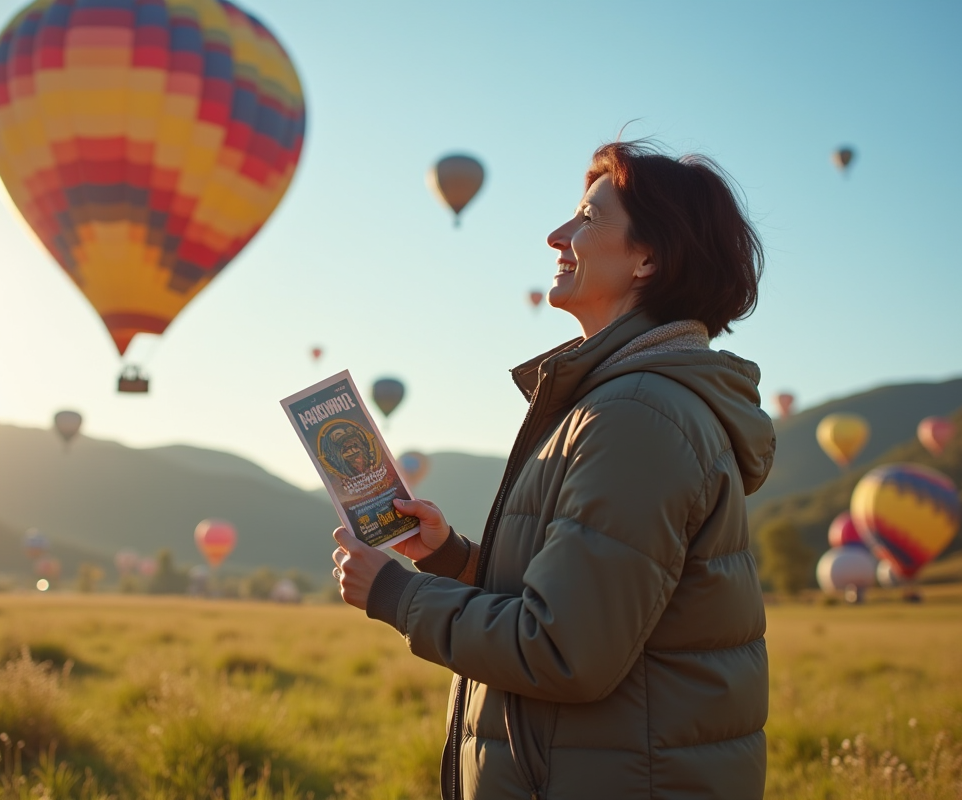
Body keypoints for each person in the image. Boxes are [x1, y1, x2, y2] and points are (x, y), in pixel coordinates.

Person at [331, 139, 775, 799]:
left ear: (650, 258)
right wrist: (453, 558)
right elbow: (587, 597)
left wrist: (397, 596)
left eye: (589, 219)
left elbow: (565, 649)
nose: (556, 235)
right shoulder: (617, 402)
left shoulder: (637, 416)